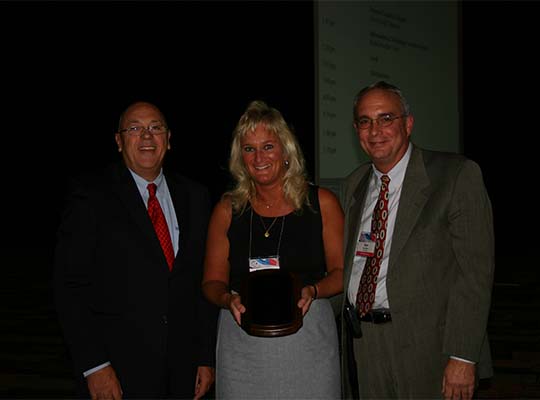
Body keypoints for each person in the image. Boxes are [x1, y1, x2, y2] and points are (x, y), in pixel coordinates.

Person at [341, 81, 495, 400]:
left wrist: (463, 356)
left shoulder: (455, 176)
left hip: (430, 348)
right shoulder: (354, 184)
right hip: (365, 345)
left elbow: (475, 275)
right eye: (365, 121)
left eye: (386, 118)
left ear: (408, 124)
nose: (375, 130)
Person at [54, 101, 219, 399]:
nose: (146, 136)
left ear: (168, 140)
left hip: (183, 372)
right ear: (118, 141)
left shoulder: (196, 196)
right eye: (135, 128)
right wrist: (94, 366)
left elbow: (202, 284)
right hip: (117, 373)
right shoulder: (90, 195)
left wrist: (206, 356)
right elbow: (70, 287)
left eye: (155, 128)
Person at [202, 100, 344, 399]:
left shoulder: (322, 203)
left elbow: (343, 273)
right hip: (242, 342)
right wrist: (227, 299)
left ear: (286, 151)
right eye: (249, 148)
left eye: (268, 146)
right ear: (240, 157)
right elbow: (211, 282)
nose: (259, 157)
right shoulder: (228, 209)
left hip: (307, 338)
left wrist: (313, 291)